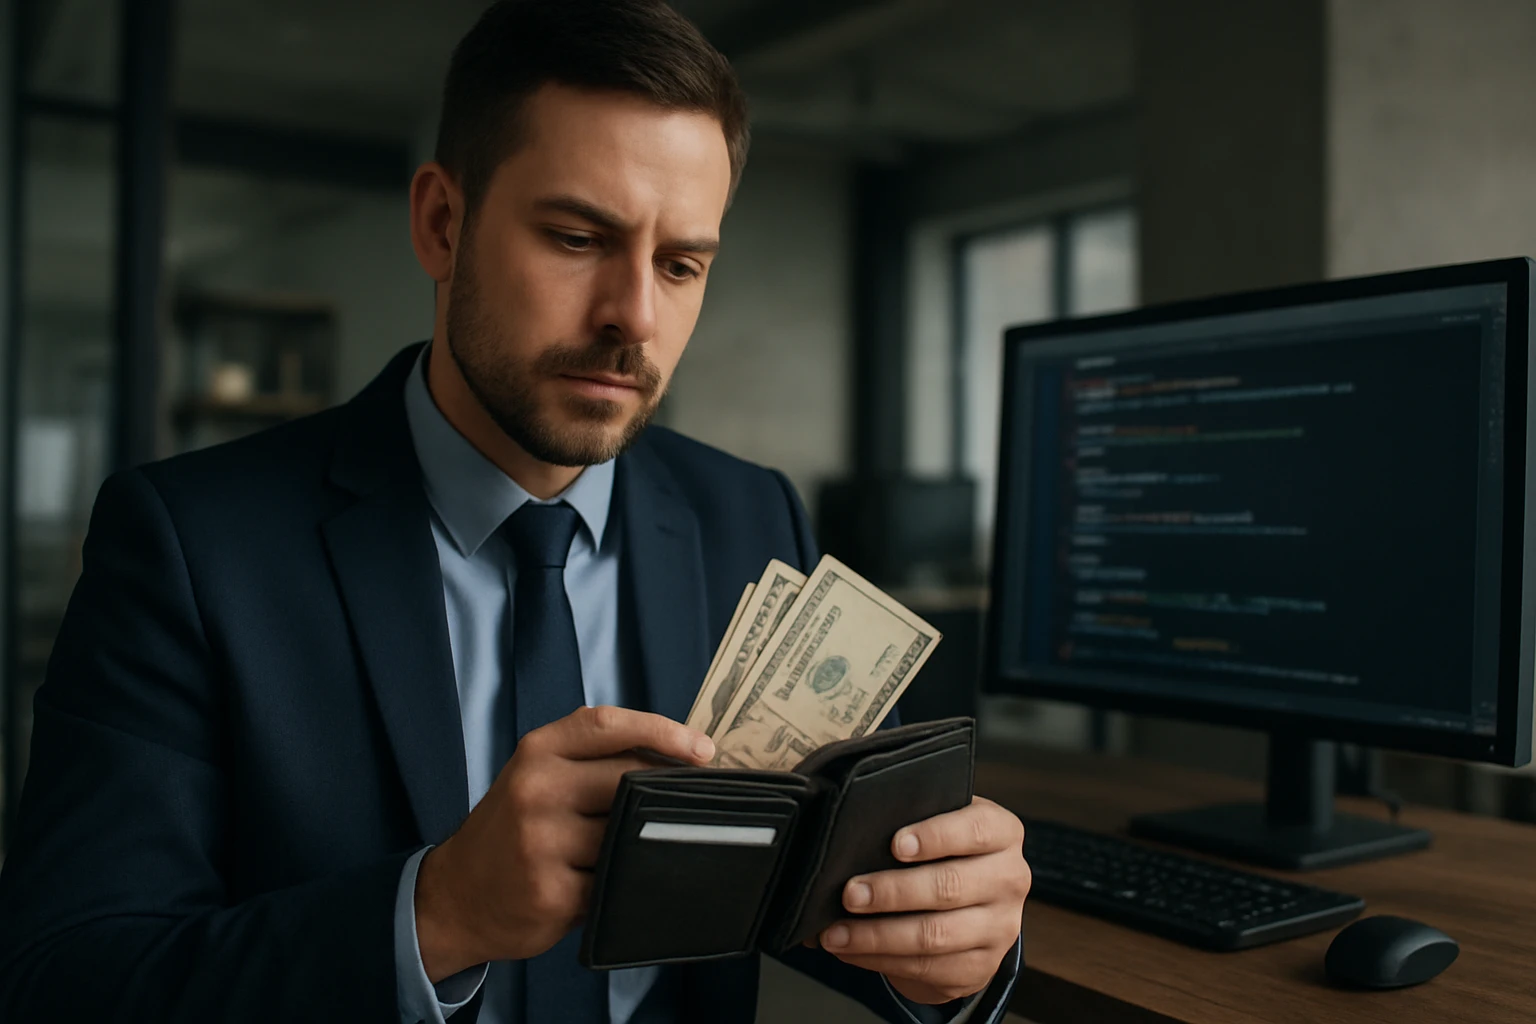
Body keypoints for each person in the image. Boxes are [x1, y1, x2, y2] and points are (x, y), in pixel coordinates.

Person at [0, 2, 1030, 1021]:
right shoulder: (188, 545)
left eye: (681, 265)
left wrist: (945, 939)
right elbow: (68, 980)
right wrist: (435, 912)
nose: (635, 313)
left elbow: (840, 887)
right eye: (579, 237)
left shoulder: (750, 517)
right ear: (442, 223)